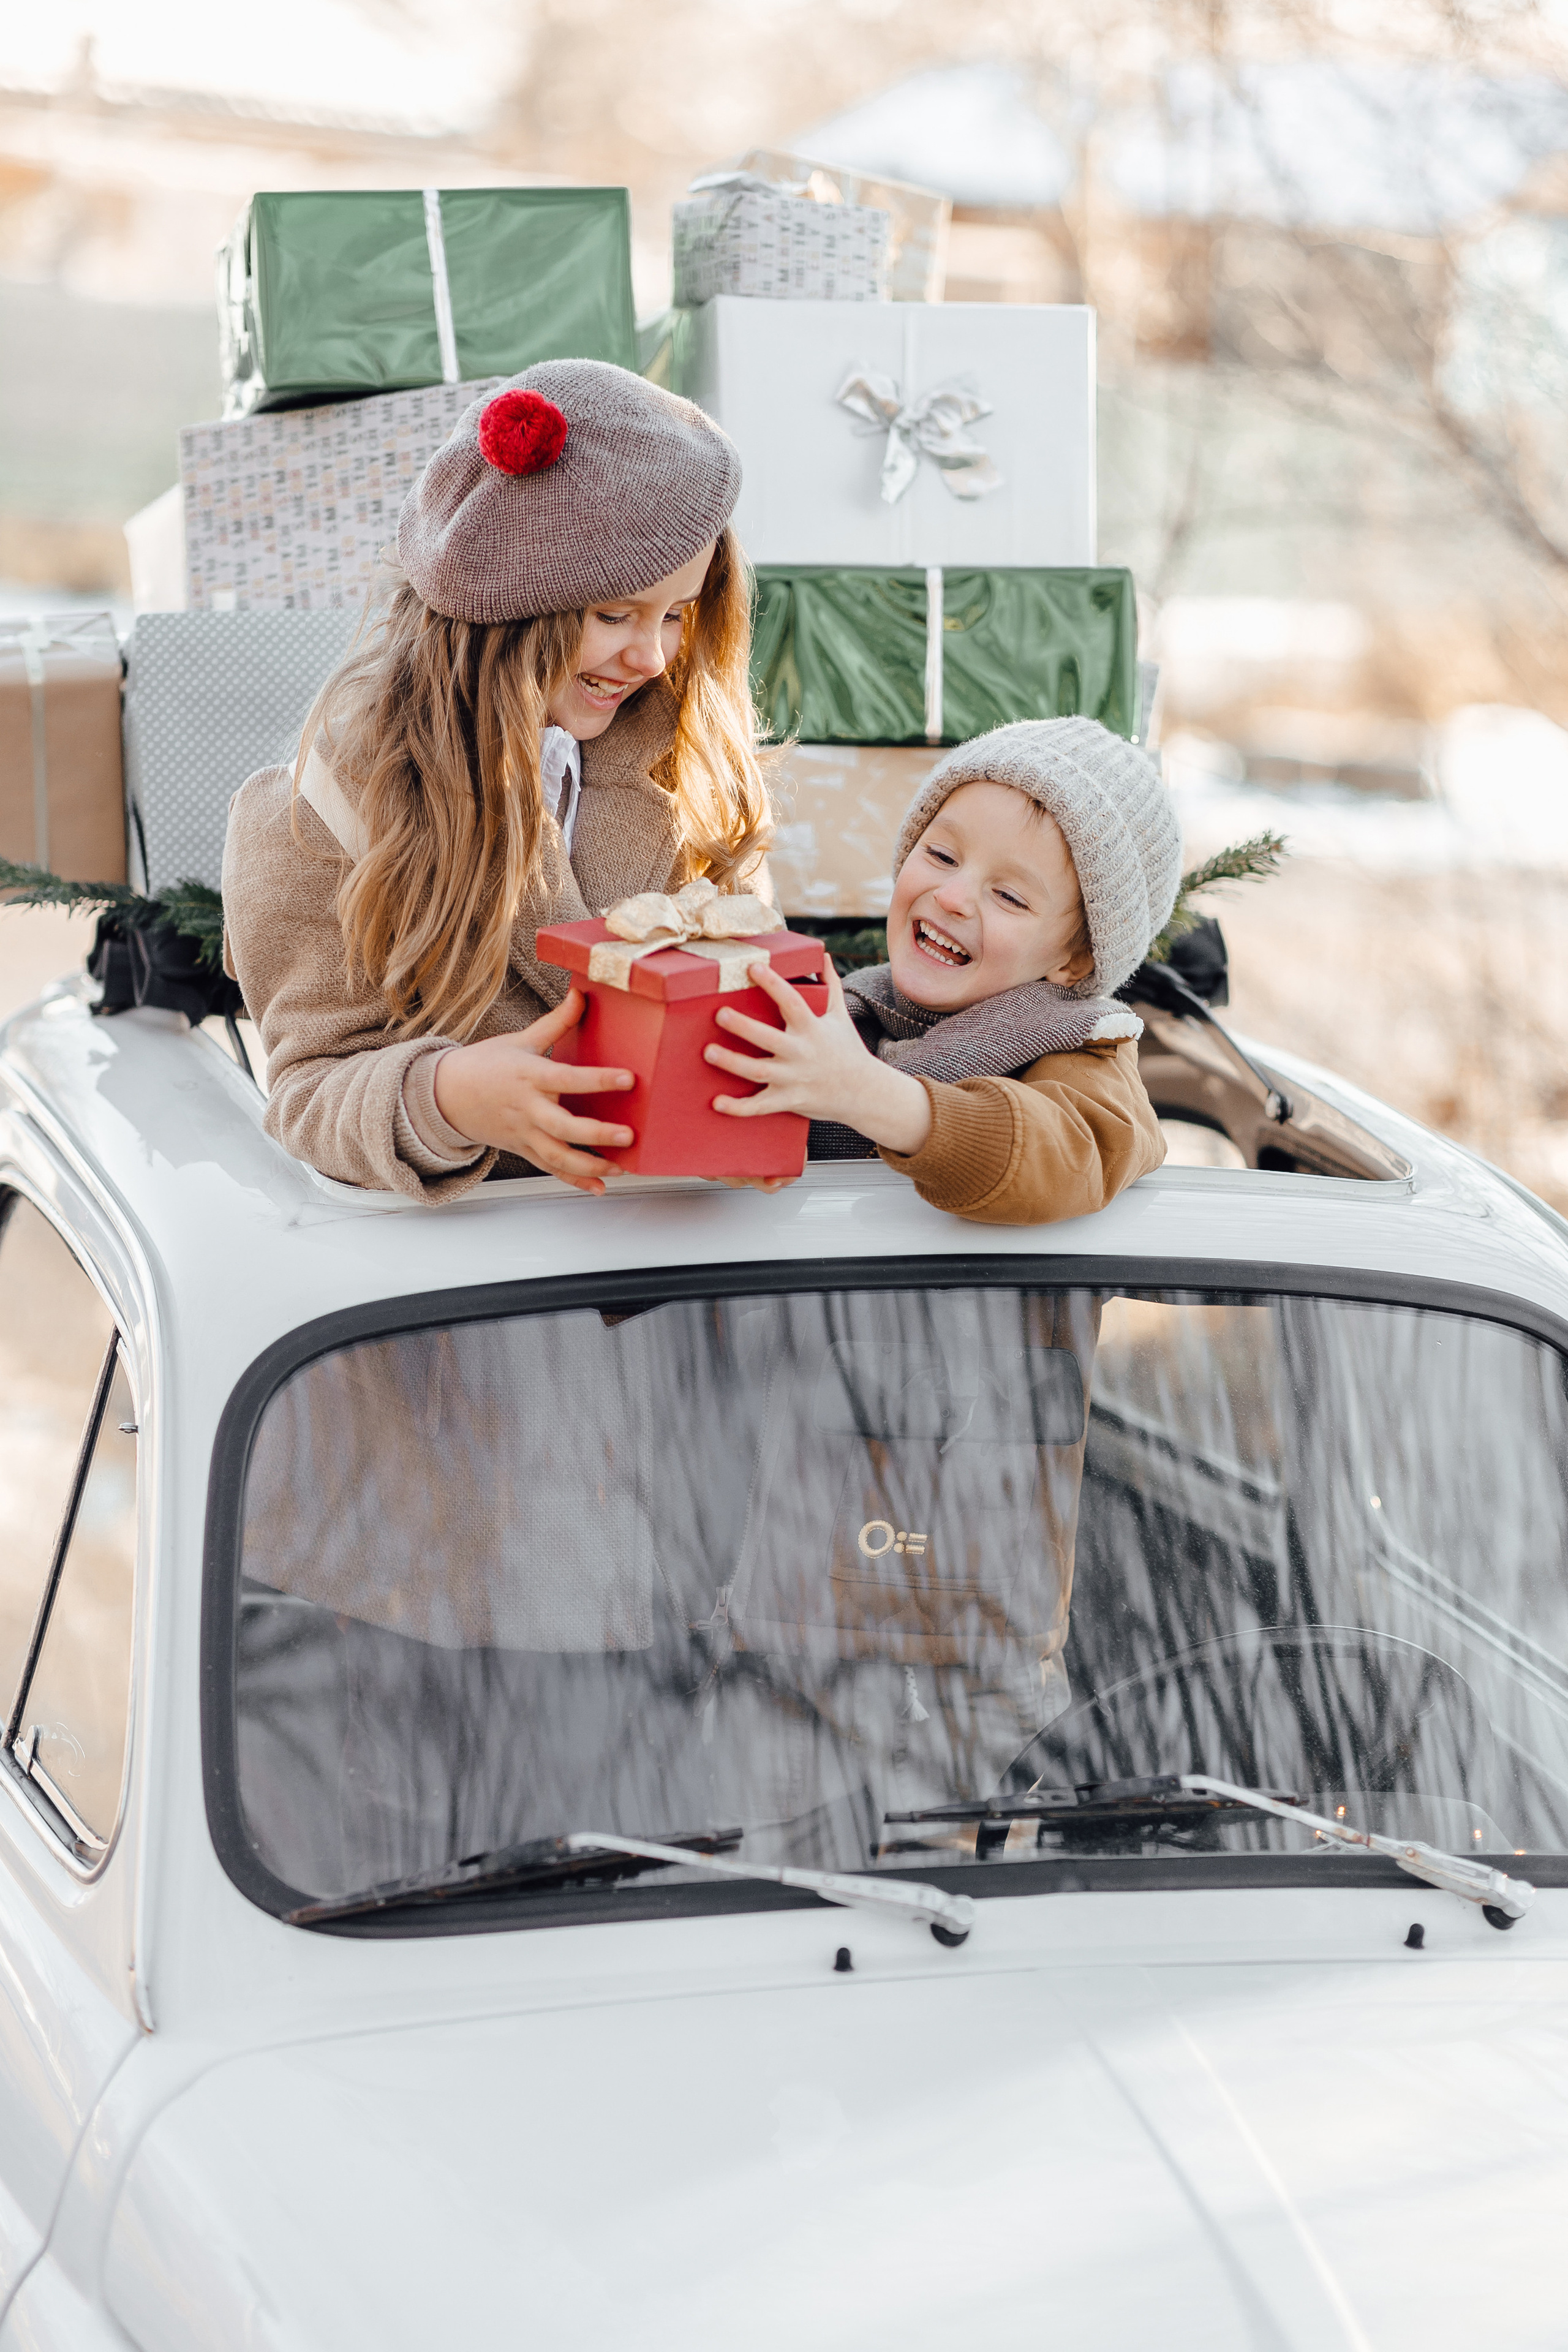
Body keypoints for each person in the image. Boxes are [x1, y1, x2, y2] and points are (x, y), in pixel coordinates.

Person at [222, 361, 769, 1198]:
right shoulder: (320, 814)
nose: (650, 656)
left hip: (670, 1249)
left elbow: (749, 979)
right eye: (614, 615)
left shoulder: (691, 770)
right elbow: (311, 1087)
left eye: (675, 615)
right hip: (476, 1273)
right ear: (507, 612)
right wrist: (451, 1099)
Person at [704, 717, 1180, 1224]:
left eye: (1009, 896)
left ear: (1075, 961)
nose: (952, 897)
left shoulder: (1083, 1053)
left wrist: (869, 1094)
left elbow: (1067, 1160)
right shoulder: (847, 1011)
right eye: (941, 855)